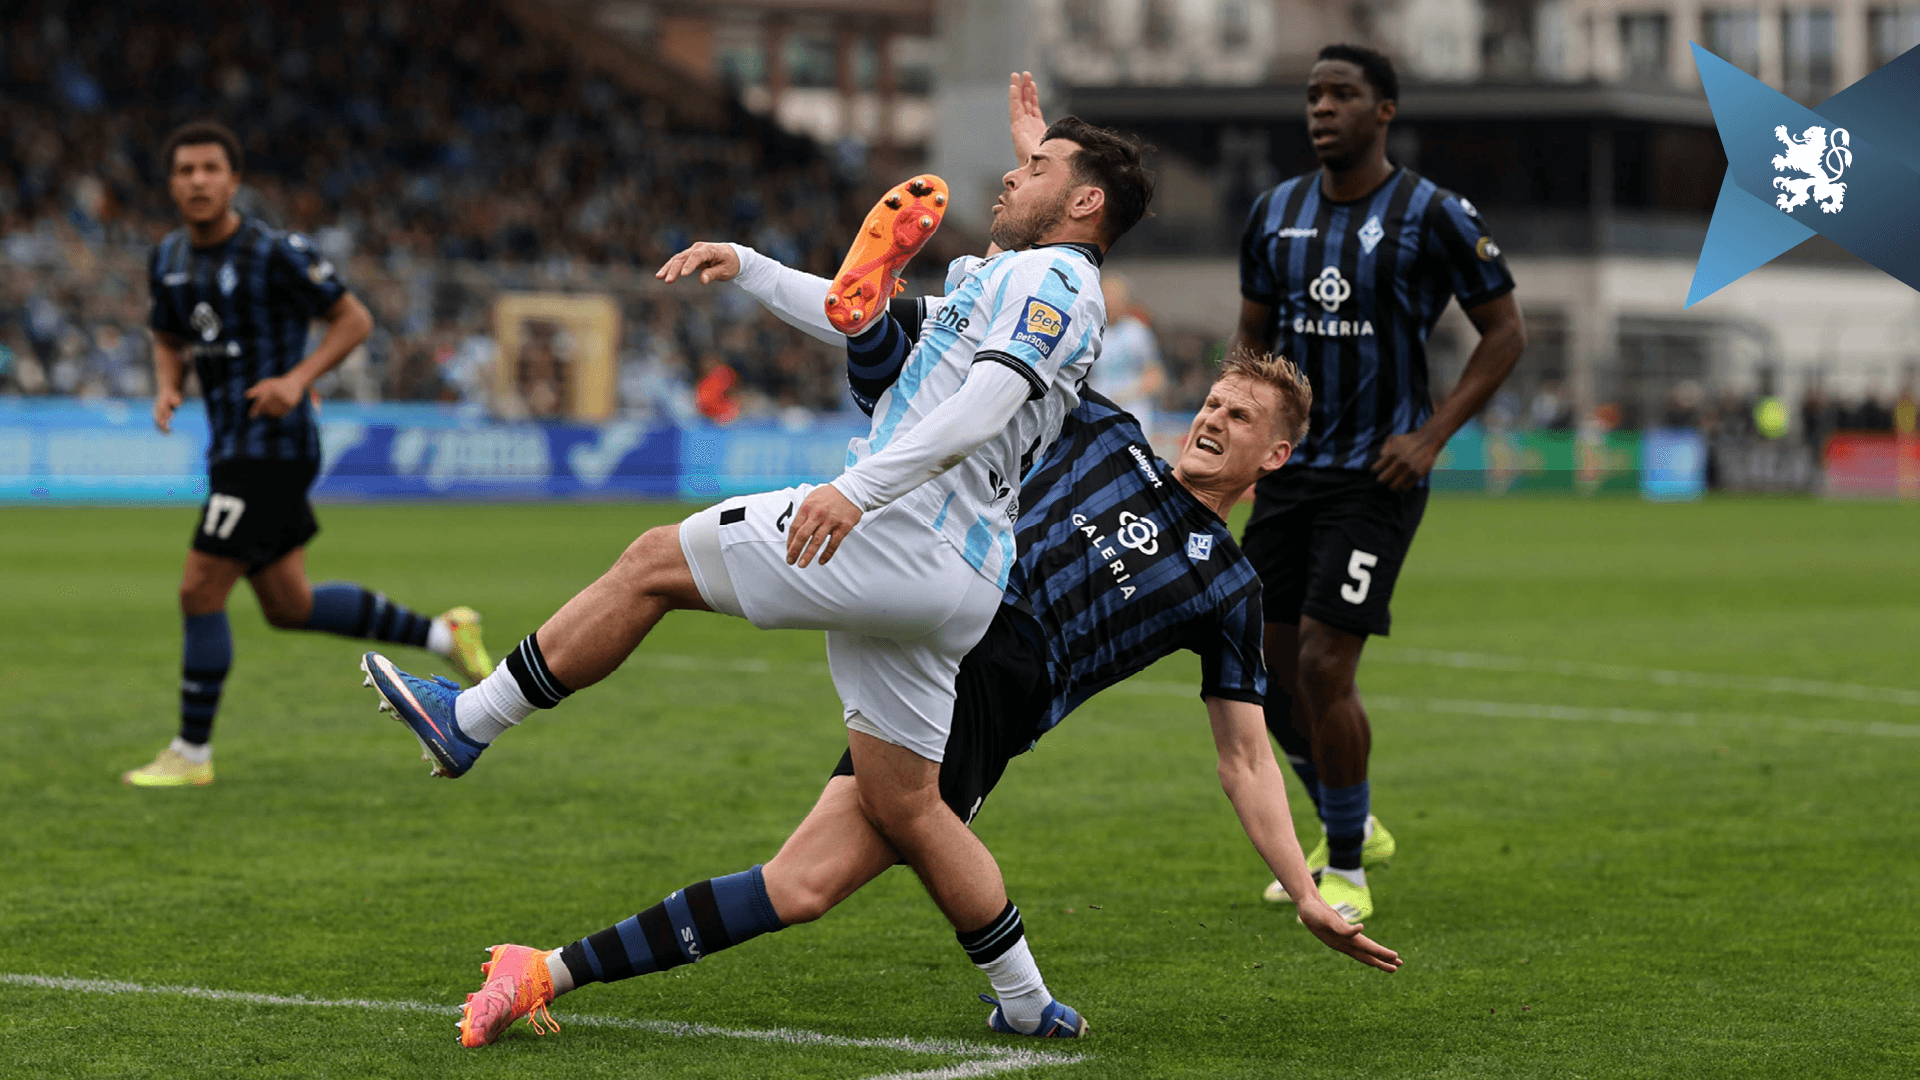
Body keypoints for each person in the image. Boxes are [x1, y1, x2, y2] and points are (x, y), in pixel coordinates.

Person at [360, 111, 1156, 1042]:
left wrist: (857, 490)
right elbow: (858, 311)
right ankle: (1026, 1001)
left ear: (1086, 201)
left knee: (654, 562)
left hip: (902, 532)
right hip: (958, 575)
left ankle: (470, 720)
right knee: (903, 808)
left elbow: (988, 402)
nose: (1011, 179)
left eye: (1037, 168)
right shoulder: (1016, 283)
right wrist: (748, 264)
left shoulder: (1052, 275)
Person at [449, 333, 1403, 1044]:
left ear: (1273, 457)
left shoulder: (1230, 589)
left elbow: (1243, 756)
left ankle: (546, 971)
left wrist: (1305, 888)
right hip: (931, 612)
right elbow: (997, 377)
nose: (1213, 419)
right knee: (665, 571)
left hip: (990, 700)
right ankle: (1026, 1001)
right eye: (1214, 402)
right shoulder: (1105, 429)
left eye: (1241, 418)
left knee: (803, 885)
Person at [1227, 45, 1528, 920]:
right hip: (1290, 476)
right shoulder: (1274, 213)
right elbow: (1249, 345)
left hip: (1376, 478)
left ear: (1384, 110)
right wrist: (1238, 438)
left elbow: (1504, 332)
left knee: (1325, 662)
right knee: (1263, 669)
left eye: (1342, 94)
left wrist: (1431, 438)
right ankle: (1343, 817)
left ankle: (1348, 870)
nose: (1322, 108)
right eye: (1314, 95)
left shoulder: (1433, 213)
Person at [121, 121, 493, 788]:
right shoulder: (169, 257)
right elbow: (167, 333)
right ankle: (446, 635)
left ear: (233, 181)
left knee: (199, 587)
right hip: (231, 445)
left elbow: (354, 318)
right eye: (186, 170)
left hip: (275, 448)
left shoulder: (274, 251)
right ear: (172, 183)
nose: (198, 180)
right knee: (288, 604)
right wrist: (169, 384)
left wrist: (298, 380)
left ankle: (191, 754)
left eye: (211, 168)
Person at [1088, 274, 1166, 430]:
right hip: (1096, 413)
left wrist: (1127, 394)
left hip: (1131, 412)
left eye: (1117, 298)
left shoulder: (1137, 332)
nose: (1111, 303)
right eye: (1107, 296)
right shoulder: (1089, 332)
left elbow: (1156, 377)